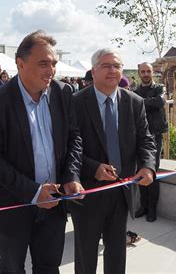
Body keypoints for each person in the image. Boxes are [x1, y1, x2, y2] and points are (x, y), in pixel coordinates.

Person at [0, 30, 83, 274]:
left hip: (55, 203)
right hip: (12, 206)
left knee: (48, 267)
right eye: (43, 63)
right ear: (20, 64)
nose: (51, 70)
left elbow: (74, 137)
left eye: (54, 64)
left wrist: (71, 177)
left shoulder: (63, 92)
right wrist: (34, 192)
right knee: (13, 268)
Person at [70, 49, 156, 274]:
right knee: (86, 255)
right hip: (87, 192)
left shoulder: (134, 102)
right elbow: (67, 148)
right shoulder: (76, 103)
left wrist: (148, 166)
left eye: (117, 66)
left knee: (117, 253)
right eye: (106, 65)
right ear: (94, 70)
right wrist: (93, 167)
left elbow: (146, 140)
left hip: (121, 191)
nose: (112, 70)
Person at [134, 62, 168, 222]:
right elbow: (134, 107)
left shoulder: (160, 88)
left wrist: (141, 102)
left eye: (148, 71)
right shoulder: (135, 91)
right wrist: (148, 102)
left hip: (155, 135)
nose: (146, 74)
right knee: (140, 170)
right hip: (139, 136)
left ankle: (152, 209)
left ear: (152, 73)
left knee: (152, 170)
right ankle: (143, 206)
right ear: (139, 73)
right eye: (143, 71)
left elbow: (160, 102)